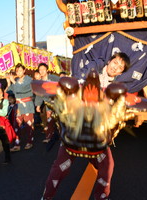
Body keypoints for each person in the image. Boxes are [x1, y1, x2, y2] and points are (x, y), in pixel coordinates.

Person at [42, 52, 130, 200]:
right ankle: (46, 197)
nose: (116, 67)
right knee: (59, 168)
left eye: (120, 67)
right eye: (115, 63)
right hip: (75, 133)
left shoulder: (116, 88)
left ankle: (101, 197)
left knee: (107, 168)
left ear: (122, 72)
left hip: (96, 136)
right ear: (109, 61)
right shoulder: (86, 75)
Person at [6, 63, 35, 151]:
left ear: (24, 70)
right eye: (17, 71)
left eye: (20, 70)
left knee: (29, 125)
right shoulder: (16, 80)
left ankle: (30, 142)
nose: (18, 72)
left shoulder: (29, 79)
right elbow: (10, 91)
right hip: (18, 105)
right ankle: (17, 144)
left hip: (27, 104)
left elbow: (22, 88)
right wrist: (8, 82)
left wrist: (14, 81)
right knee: (16, 125)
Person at [35, 63, 60, 143]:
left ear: (47, 70)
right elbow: (39, 95)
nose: (41, 71)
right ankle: (49, 136)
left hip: (57, 102)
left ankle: (63, 136)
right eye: (40, 70)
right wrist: (38, 105)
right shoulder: (40, 83)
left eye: (43, 69)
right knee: (49, 120)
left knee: (60, 119)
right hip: (48, 104)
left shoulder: (53, 78)